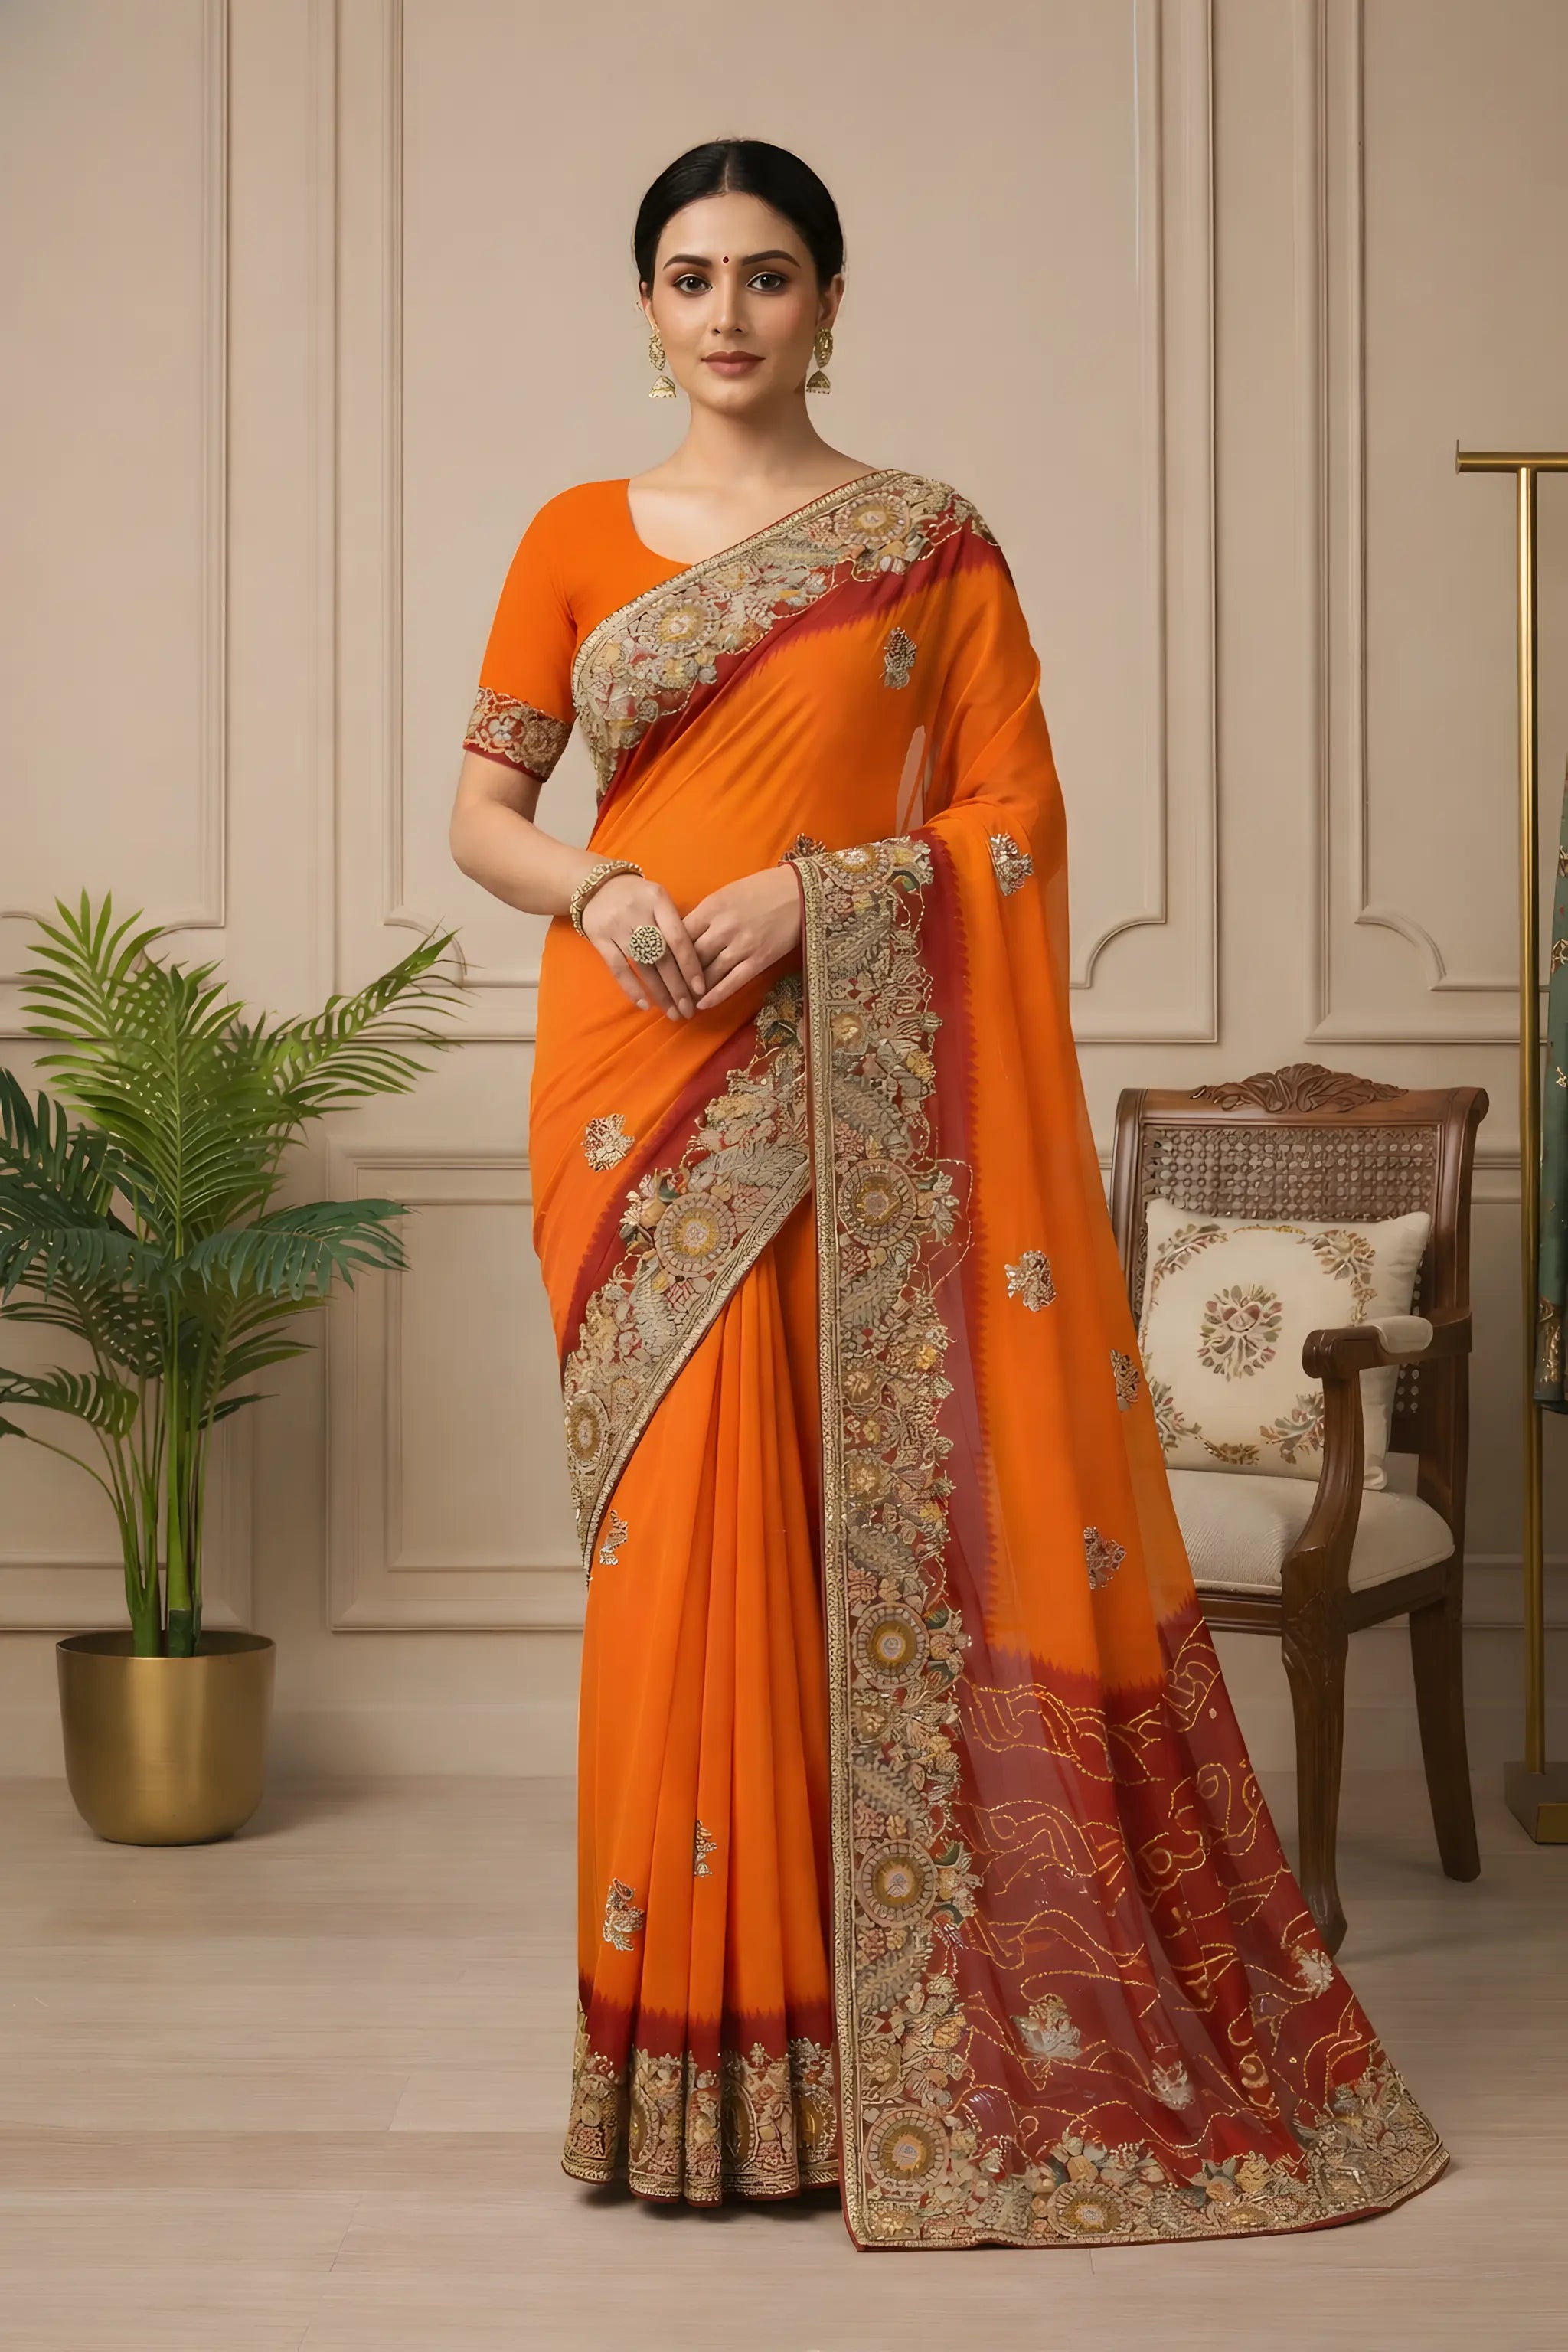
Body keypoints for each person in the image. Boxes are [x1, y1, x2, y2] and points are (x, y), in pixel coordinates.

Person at [448, 137, 1445, 2250]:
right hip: (629, 1083)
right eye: (691, 276)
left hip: (844, 1083)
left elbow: (1014, 819)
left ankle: (862, 2049)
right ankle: (690, 2064)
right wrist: (606, 887)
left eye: (768, 274)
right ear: (645, 309)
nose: (728, 312)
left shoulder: (926, 542)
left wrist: (821, 900)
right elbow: (485, 812)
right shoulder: (566, 536)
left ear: (830, 302)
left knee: (846, 1534)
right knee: (677, 1553)